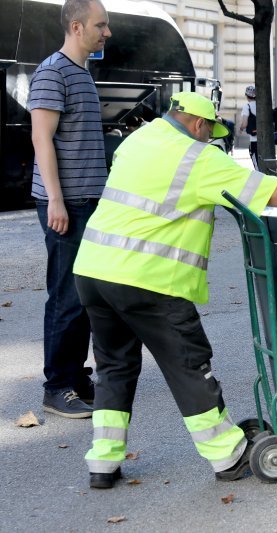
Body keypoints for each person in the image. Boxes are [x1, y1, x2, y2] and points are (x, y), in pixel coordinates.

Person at [72, 92, 277, 489]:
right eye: (209, 132)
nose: (210, 140)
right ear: (198, 124)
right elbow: (272, 192)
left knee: (114, 367)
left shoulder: (137, 139)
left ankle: (103, 462)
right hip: (148, 277)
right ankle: (228, 455)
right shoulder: (197, 157)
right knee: (189, 364)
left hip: (93, 270)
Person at [29, 0, 112, 419]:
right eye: (101, 25)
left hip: (89, 203)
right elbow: (41, 140)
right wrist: (56, 201)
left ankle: (77, 379)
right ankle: (56, 386)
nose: (107, 32)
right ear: (77, 27)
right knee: (65, 298)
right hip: (67, 205)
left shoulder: (81, 73)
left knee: (84, 297)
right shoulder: (52, 72)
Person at [240, 85, 258, 168]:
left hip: (254, 140)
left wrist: (241, 128)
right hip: (264, 140)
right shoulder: (262, 106)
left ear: (247, 96)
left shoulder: (247, 106)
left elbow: (244, 123)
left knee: (257, 164)